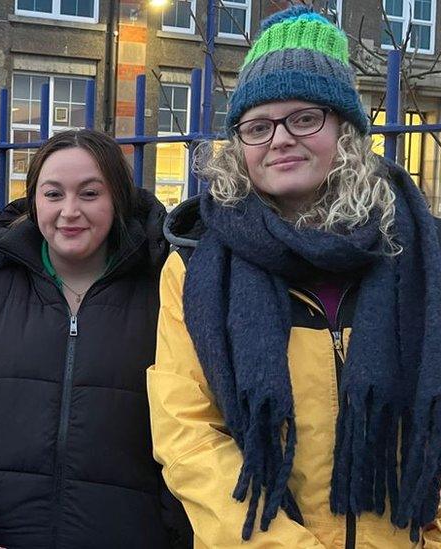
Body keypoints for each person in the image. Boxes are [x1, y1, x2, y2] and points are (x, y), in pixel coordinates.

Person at [148, 6, 441, 547]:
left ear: (346, 129)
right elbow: (187, 433)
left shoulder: (421, 252)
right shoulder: (193, 264)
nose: (279, 139)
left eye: (304, 117)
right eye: (258, 126)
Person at [0, 129, 192, 549]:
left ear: (117, 200)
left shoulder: (165, 289)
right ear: (34, 200)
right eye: (53, 194)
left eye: (90, 194)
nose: (69, 211)